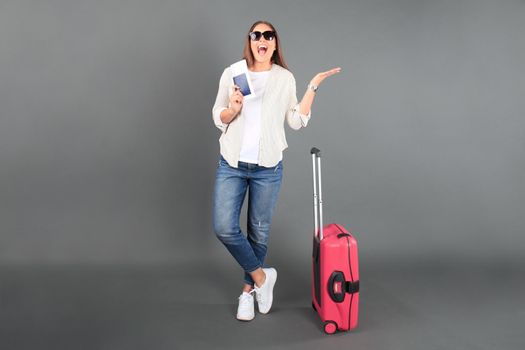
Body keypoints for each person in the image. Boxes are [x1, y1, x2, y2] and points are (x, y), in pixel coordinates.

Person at [212, 20, 340, 321]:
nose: (263, 39)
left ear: (274, 44)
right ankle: (261, 278)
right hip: (231, 163)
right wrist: (233, 109)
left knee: (258, 231)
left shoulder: (284, 78)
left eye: (268, 35)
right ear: (250, 41)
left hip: (267, 168)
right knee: (224, 227)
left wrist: (313, 86)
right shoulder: (233, 72)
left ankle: (247, 292)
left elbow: (295, 121)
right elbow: (219, 114)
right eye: (257, 34)